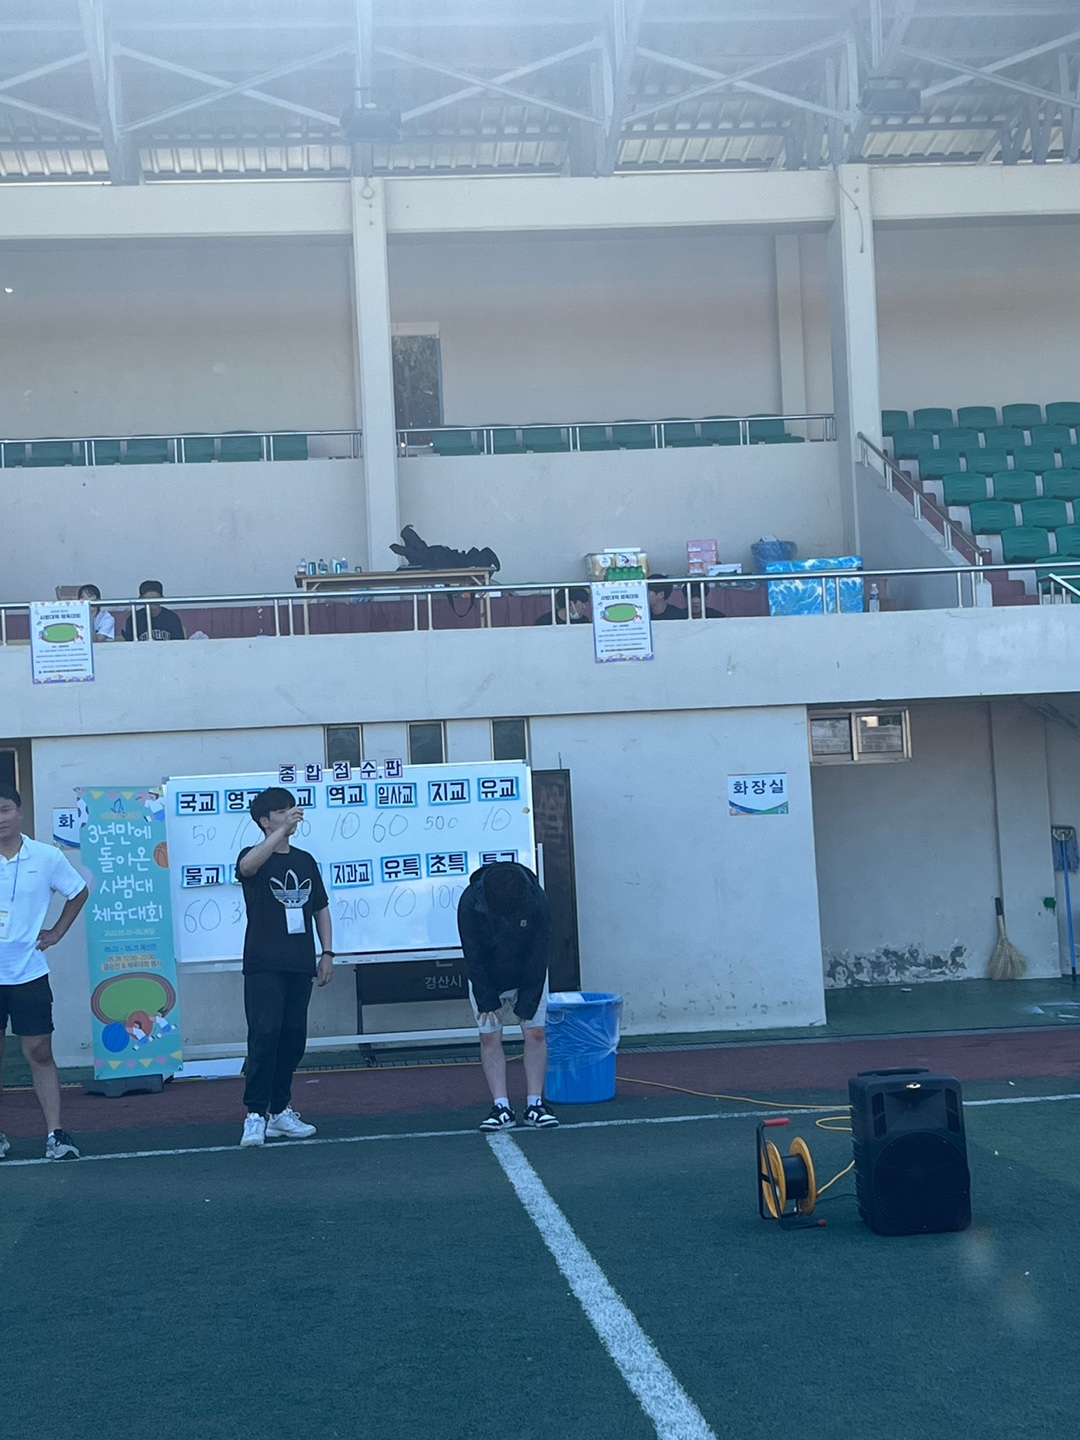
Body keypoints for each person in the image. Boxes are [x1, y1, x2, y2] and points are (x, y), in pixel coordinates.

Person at [235, 787, 333, 1148]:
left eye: (293, 809)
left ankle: (279, 1110)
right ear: (265, 820)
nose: (293, 814)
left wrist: (327, 953)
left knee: (293, 1039)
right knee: (264, 1035)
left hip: (299, 962)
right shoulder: (253, 856)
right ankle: (255, 1114)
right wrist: (279, 832)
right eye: (282, 811)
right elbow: (246, 868)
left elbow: (320, 907)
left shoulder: (305, 860)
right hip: (263, 963)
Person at [0, 783, 88, 1161]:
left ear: (19, 812)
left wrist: (57, 932)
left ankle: (55, 1133)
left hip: (29, 971)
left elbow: (78, 891)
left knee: (39, 1052)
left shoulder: (46, 856)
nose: (0, 819)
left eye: (4, 809)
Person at [457, 861, 558, 1131]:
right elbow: (472, 954)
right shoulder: (470, 901)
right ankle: (501, 1106)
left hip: (527, 973)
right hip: (488, 974)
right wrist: (486, 999)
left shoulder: (537, 900)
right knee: (489, 1036)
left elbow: (540, 953)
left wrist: (528, 1001)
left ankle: (535, 1104)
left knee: (535, 1033)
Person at [121, 580, 185, 642]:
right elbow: (129, 646)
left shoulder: (172, 618)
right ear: (140, 599)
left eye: (156, 598)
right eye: (147, 599)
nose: (152, 602)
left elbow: (179, 644)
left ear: (162, 598)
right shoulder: (133, 619)